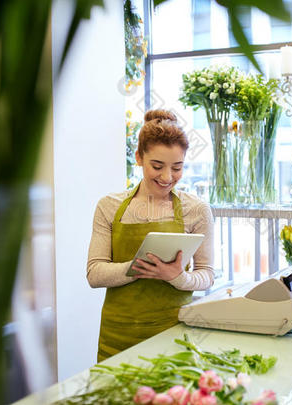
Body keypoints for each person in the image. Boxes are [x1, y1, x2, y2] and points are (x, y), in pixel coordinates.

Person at [87, 109, 214, 362]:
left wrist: (178, 277)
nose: (167, 177)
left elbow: (207, 275)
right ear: (138, 158)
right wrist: (138, 268)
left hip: (174, 335)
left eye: (177, 168)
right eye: (157, 166)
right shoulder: (109, 206)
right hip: (117, 335)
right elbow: (94, 274)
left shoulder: (197, 210)